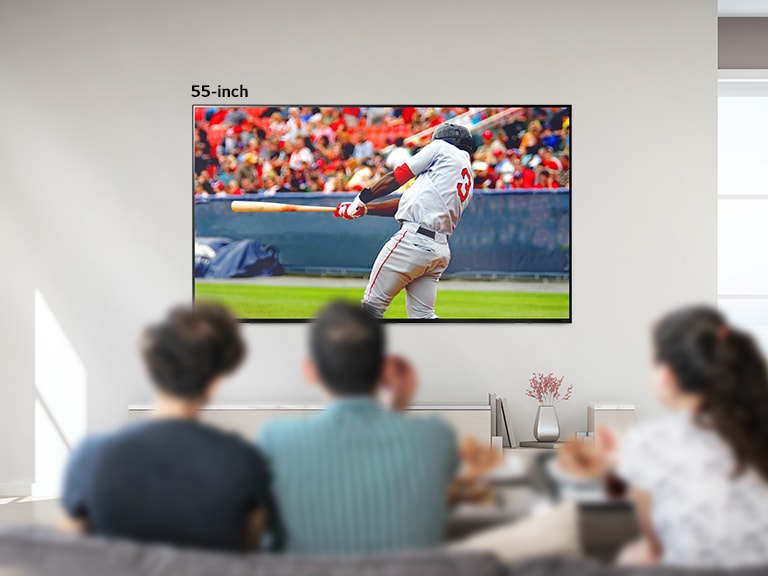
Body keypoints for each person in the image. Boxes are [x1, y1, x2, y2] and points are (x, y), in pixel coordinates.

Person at [559, 306, 768, 568]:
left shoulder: (646, 442)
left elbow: (656, 550)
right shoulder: (759, 429)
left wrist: (630, 456)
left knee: (630, 556)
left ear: (666, 374)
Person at [60, 303, 270, 552]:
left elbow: (66, 557)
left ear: (148, 369)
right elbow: (251, 556)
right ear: (214, 383)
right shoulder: (244, 462)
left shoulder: (90, 457)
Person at [258, 302, 459, 555]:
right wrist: (399, 407)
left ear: (310, 371)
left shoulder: (275, 440)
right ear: (385, 369)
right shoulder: (436, 437)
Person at [333, 123, 476, 319]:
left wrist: (360, 198)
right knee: (423, 315)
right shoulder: (464, 173)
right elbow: (406, 202)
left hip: (413, 242)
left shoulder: (442, 148)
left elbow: (398, 176)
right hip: (438, 251)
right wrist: (364, 209)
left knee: (371, 308)